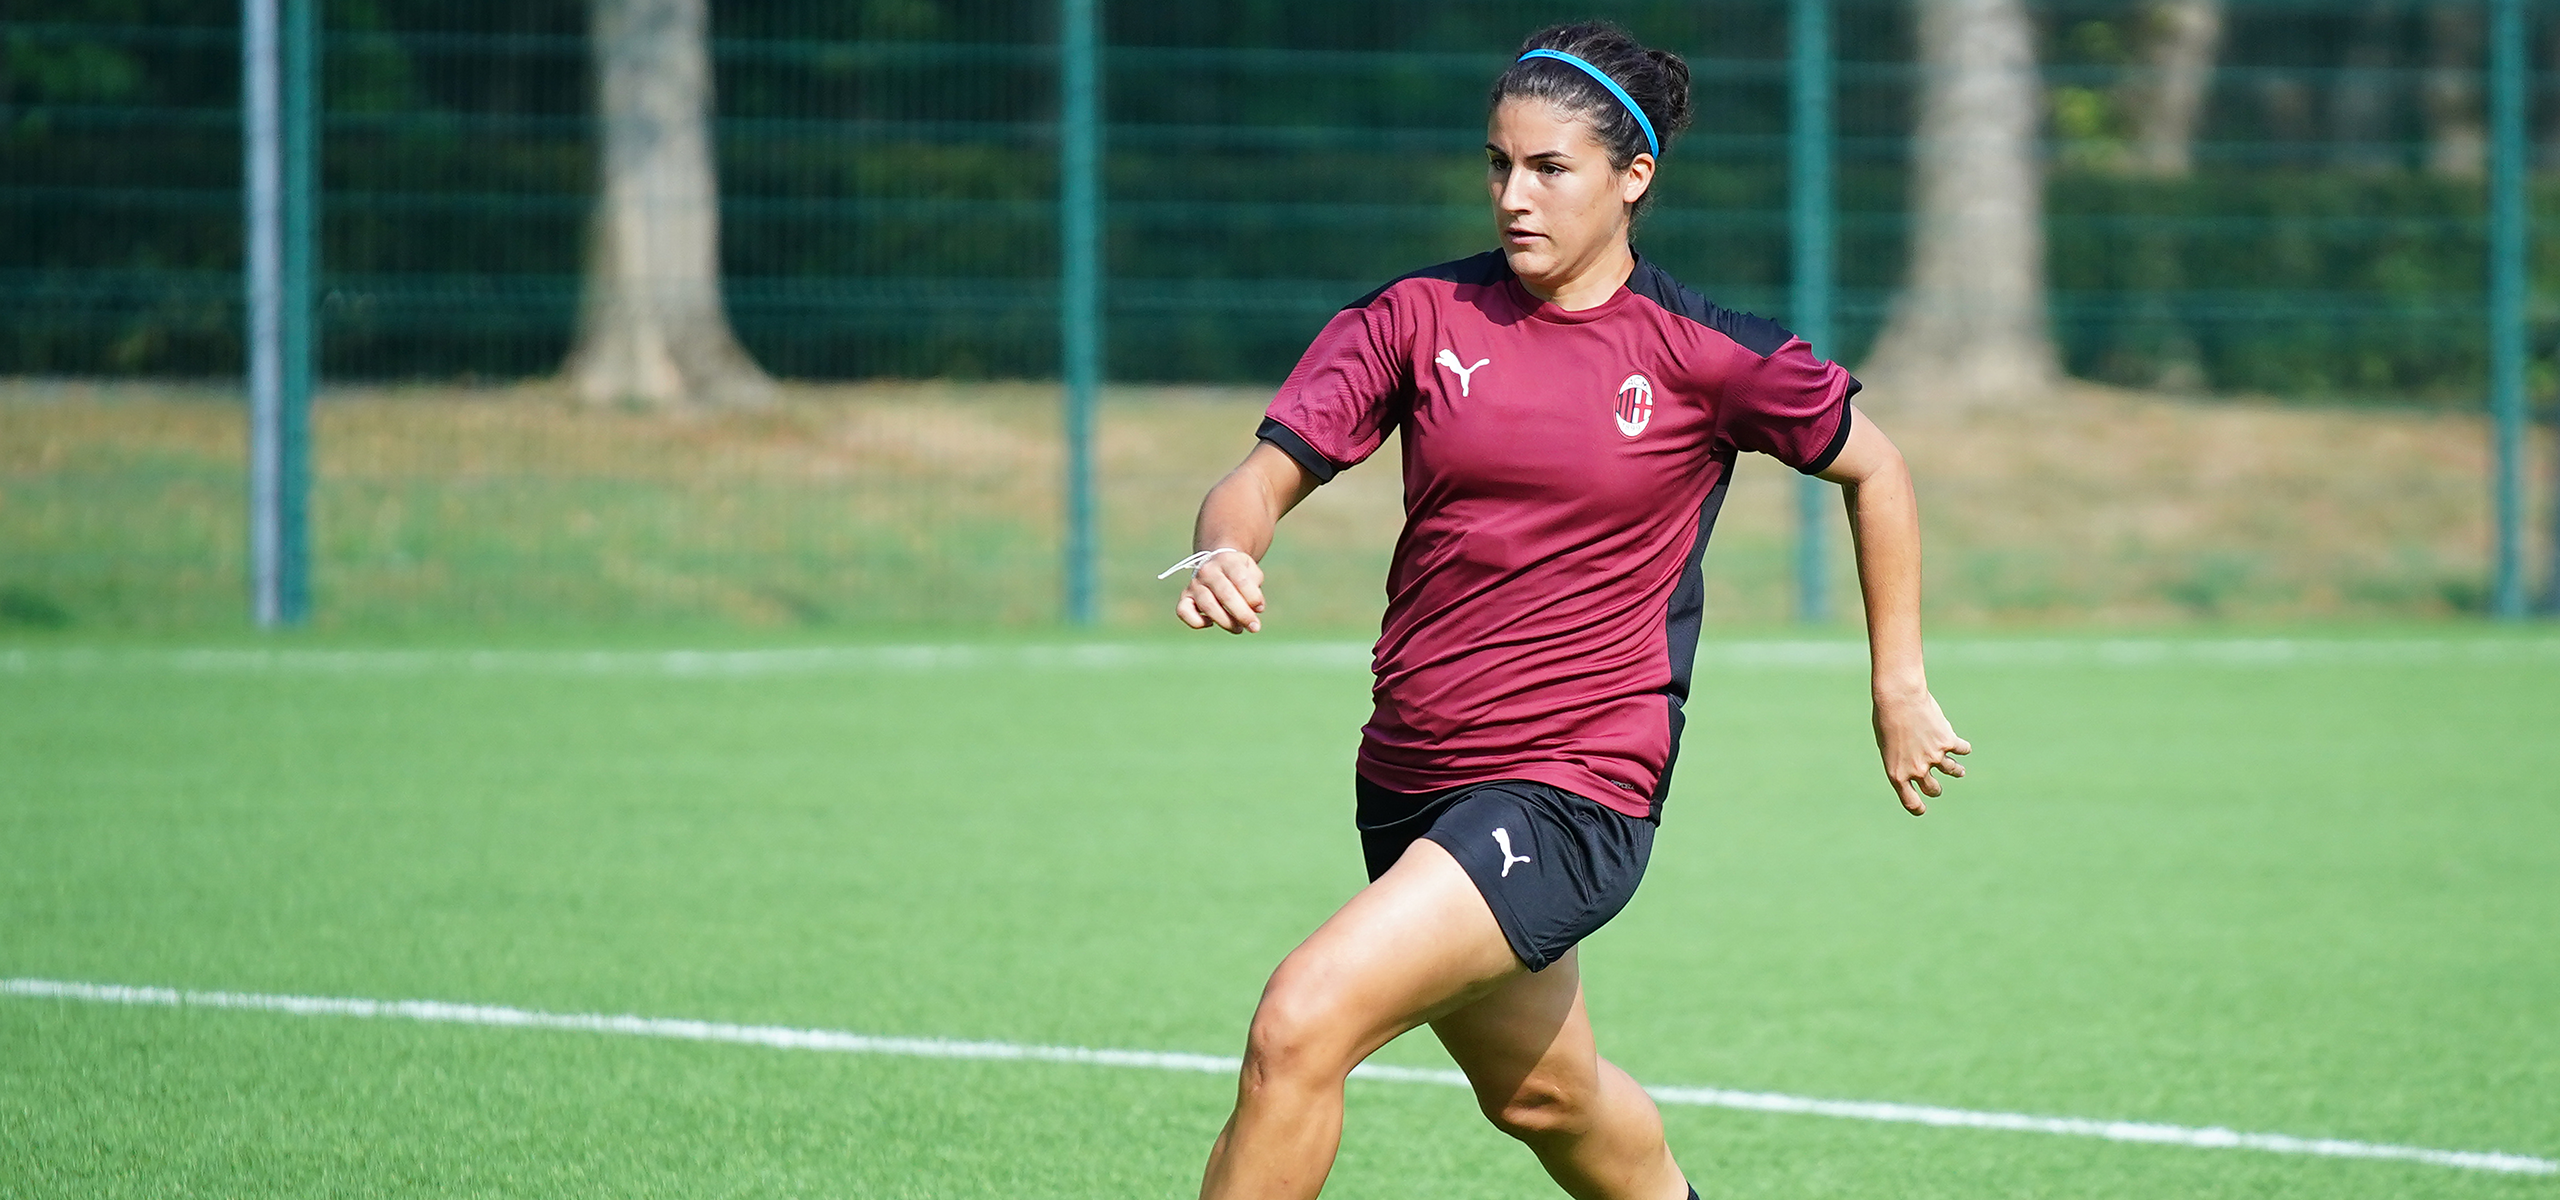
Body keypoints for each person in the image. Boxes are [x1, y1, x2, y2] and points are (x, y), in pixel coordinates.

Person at [1163, 22, 1970, 1200]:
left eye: (1550, 169)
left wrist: (1896, 683)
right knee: (1543, 1096)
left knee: (1299, 1023)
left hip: (1574, 781)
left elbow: (1875, 469)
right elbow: (1258, 477)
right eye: (1498, 164)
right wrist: (1222, 550)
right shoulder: (1415, 317)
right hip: (1409, 773)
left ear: (1632, 179)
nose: (1513, 196)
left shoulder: (1705, 352)